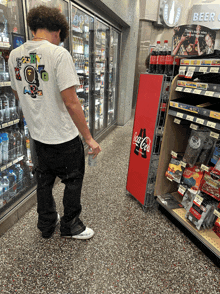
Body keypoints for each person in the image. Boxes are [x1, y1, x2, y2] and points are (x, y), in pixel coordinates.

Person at [8, 5, 101, 240]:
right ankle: (71, 225)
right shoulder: (59, 54)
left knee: (43, 183)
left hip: (38, 137)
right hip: (64, 138)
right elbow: (71, 103)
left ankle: (46, 225)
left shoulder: (14, 56)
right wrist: (89, 138)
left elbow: (19, 94)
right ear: (58, 32)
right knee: (72, 180)